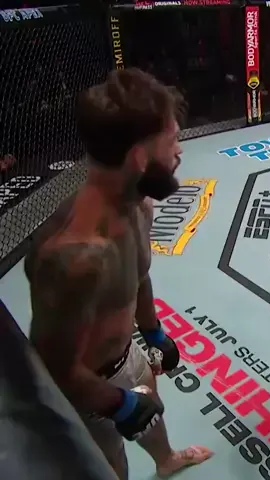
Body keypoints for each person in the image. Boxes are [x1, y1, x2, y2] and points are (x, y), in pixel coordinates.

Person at [25, 68, 213, 479]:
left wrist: (153, 332)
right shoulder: (75, 257)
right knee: (112, 467)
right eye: (172, 140)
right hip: (88, 391)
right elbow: (54, 369)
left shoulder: (139, 205)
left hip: (129, 354)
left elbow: (138, 275)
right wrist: (117, 403)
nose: (180, 152)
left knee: (154, 417)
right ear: (139, 157)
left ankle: (166, 460)